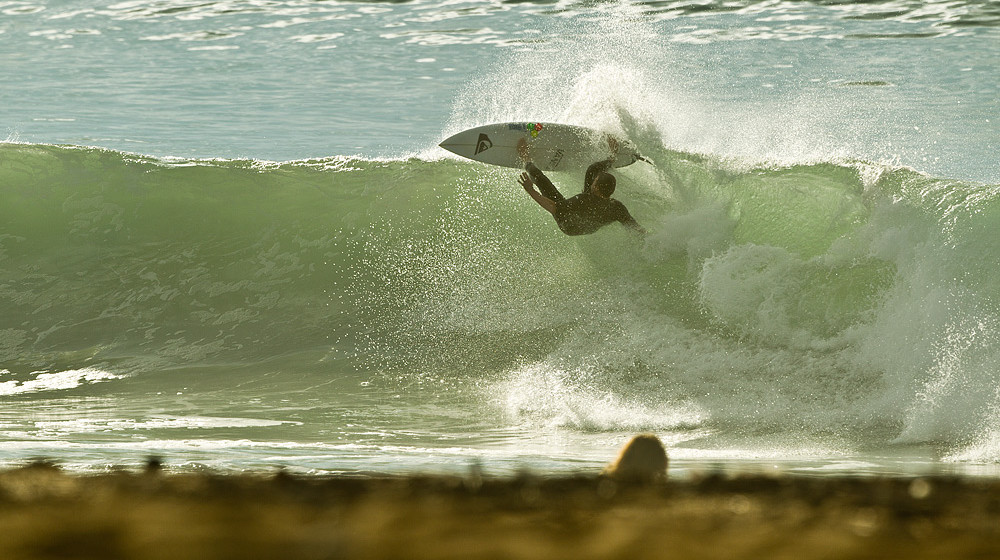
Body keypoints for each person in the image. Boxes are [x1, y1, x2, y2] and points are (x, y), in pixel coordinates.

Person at [517, 136, 646, 236]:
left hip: (569, 224)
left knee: (541, 180)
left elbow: (553, 207)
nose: (593, 182)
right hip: (590, 226)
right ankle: (612, 158)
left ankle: (526, 158)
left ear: (595, 187)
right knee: (592, 170)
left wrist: (530, 190)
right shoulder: (617, 207)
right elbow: (635, 228)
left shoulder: (583, 200)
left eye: (595, 182)